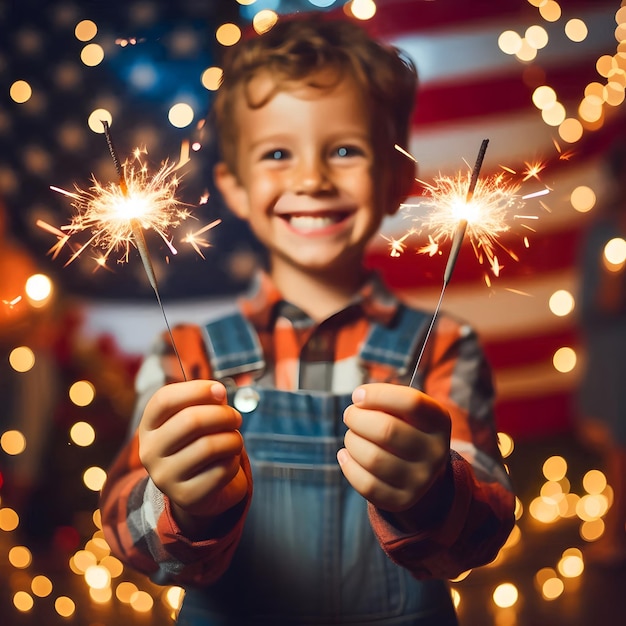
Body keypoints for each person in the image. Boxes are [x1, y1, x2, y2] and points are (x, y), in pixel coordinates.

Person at [100, 15, 515, 625]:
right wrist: (184, 506)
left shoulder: (445, 347)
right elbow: (128, 533)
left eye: (345, 149)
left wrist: (432, 496)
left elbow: (482, 533)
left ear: (398, 180)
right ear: (234, 187)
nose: (312, 179)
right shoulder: (186, 352)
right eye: (276, 153)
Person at [577, 139, 626, 567]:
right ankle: (613, 535)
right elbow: (596, 306)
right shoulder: (603, 234)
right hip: (616, 353)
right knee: (618, 445)